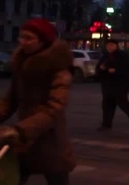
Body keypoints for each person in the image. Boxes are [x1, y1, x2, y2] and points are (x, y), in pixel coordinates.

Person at [0, 18, 76, 184]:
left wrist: (20, 130)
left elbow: (54, 108)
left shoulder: (58, 68)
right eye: (21, 37)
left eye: (29, 38)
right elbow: (9, 100)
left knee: (57, 177)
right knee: (13, 178)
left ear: (43, 41)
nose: (23, 42)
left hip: (50, 139)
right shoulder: (22, 64)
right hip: (24, 140)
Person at [96, 39, 129, 131]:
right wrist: (102, 69)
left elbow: (126, 68)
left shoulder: (122, 56)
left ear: (116, 46)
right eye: (108, 45)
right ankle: (106, 124)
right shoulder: (104, 56)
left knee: (122, 103)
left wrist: (116, 70)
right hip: (107, 85)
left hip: (120, 85)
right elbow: (98, 69)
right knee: (107, 105)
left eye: (111, 45)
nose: (109, 47)